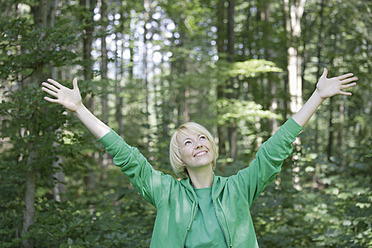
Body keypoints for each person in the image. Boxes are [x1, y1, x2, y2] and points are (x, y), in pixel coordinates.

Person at [41, 68, 357, 248]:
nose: (199, 143)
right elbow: (125, 155)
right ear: (180, 157)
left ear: (213, 147)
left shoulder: (239, 189)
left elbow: (275, 149)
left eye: (203, 136)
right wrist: (80, 109)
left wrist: (317, 96)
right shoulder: (166, 192)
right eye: (188, 142)